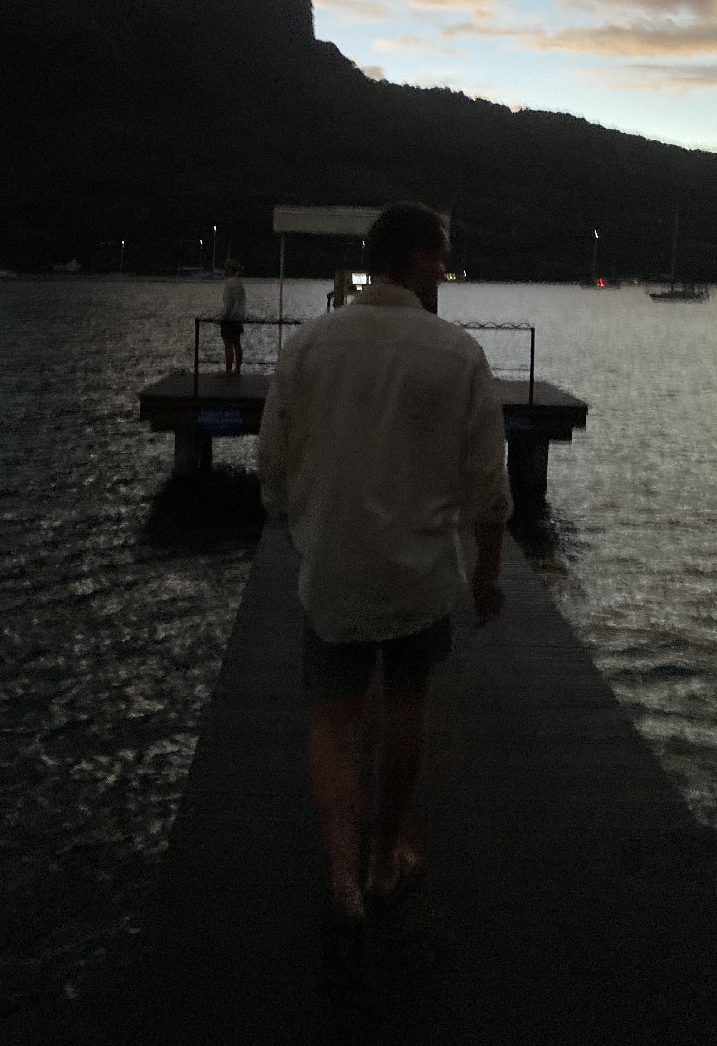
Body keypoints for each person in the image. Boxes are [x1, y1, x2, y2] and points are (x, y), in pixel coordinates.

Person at [258, 201, 512, 974]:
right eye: (442, 254)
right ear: (417, 259)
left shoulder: (308, 345)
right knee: (406, 702)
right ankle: (384, 859)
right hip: (418, 574)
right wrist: (488, 573)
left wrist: (297, 523)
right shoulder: (457, 354)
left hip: (333, 570)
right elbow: (488, 485)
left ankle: (341, 875)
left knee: (335, 717)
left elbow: (273, 462)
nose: (447, 268)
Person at [220, 258, 246, 376]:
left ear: (230, 270)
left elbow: (228, 303)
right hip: (239, 317)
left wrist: (223, 316)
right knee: (237, 343)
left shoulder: (229, 283)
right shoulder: (240, 283)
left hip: (230, 318)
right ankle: (238, 369)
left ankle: (228, 370)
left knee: (228, 344)